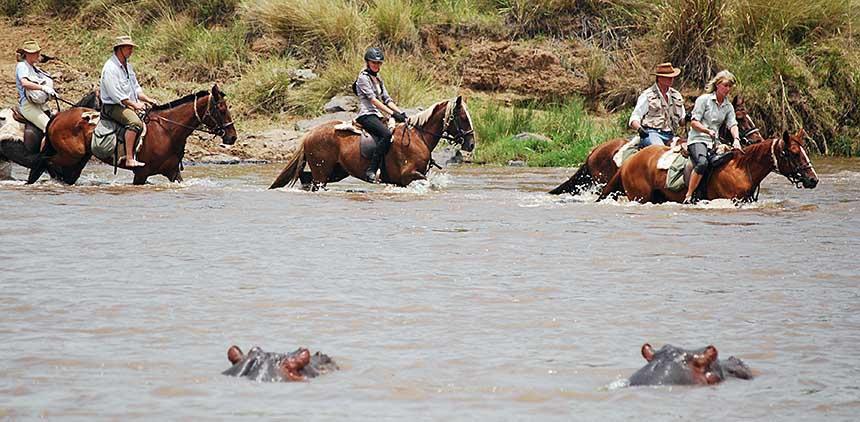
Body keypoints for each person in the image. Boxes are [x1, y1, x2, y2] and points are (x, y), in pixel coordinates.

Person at [684, 70, 743, 203]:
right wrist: (706, 131)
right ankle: (689, 195)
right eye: (725, 85)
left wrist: (736, 140)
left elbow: (732, 124)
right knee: (702, 162)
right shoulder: (704, 100)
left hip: (714, 142)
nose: (728, 89)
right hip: (698, 139)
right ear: (717, 85)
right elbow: (694, 122)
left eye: (730, 86)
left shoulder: (728, 106)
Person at [99, 35, 157, 168]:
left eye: (131, 48)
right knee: (135, 122)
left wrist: (148, 99)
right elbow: (116, 95)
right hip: (113, 106)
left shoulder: (128, 67)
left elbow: (136, 88)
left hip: (128, 103)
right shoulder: (110, 68)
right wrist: (134, 105)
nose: (131, 50)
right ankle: (130, 158)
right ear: (120, 49)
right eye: (129, 47)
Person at [353, 47, 407, 182]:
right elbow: (373, 100)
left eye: (378, 63)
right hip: (366, 114)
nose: (376, 65)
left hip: (377, 115)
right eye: (373, 63)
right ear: (367, 62)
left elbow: (387, 99)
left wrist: (400, 113)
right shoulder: (362, 78)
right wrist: (392, 114)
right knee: (386, 134)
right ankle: (371, 170)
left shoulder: (378, 79)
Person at [629, 62, 686, 148]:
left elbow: (681, 121)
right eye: (668, 77)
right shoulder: (647, 95)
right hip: (652, 133)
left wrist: (687, 118)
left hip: (671, 135)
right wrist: (640, 129)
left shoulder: (676, 95)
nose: (671, 79)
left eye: (672, 77)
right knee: (660, 150)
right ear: (659, 78)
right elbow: (635, 116)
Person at [15, 40, 56, 152]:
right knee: (49, 128)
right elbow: (25, 83)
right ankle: (43, 159)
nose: (38, 55)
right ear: (27, 54)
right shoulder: (22, 66)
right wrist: (43, 88)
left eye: (38, 52)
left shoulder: (33, 67)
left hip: (40, 104)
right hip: (28, 106)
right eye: (35, 52)